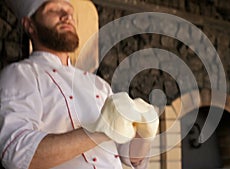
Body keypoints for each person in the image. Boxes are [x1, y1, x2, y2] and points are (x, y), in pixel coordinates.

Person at [0, 0, 158, 168]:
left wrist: (144, 134)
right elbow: (17, 153)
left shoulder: (99, 85)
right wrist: (98, 131)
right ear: (29, 25)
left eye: (70, 11)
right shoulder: (21, 75)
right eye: (53, 10)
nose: (67, 16)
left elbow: (130, 156)